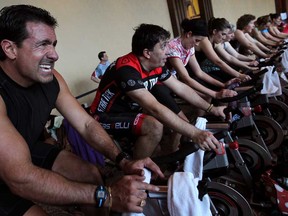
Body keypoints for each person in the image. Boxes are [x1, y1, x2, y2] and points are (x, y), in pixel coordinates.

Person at [0, 4, 164, 216]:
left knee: (90, 174)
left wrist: (123, 160)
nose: (55, 55)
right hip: (10, 169)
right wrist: (107, 195)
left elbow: (86, 124)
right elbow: (20, 178)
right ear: (10, 49)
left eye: (54, 44)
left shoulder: (52, 79)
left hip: (24, 148)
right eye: (43, 45)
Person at [90, 23, 226, 159]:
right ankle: (136, 174)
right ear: (147, 53)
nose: (168, 50)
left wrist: (212, 109)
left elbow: (181, 88)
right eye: (163, 46)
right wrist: (196, 133)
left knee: (159, 143)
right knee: (154, 126)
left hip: (129, 110)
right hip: (103, 116)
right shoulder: (127, 70)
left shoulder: (156, 65)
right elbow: (155, 108)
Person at [165, 18, 238, 100]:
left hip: (174, 79)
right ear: (189, 34)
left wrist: (223, 85)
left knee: (208, 96)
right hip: (165, 81)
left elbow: (199, 72)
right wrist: (215, 94)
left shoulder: (189, 46)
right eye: (197, 40)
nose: (197, 44)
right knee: (206, 97)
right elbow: (186, 78)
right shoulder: (173, 47)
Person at [194, 17, 251, 83]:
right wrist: (239, 75)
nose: (224, 37)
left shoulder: (215, 42)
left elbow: (230, 57)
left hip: (199, 71)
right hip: (195, 73)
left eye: (226, 35)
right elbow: (218, 62)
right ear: (214, 31)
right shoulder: (205, 40)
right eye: (223, 34)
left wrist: (248, 66)